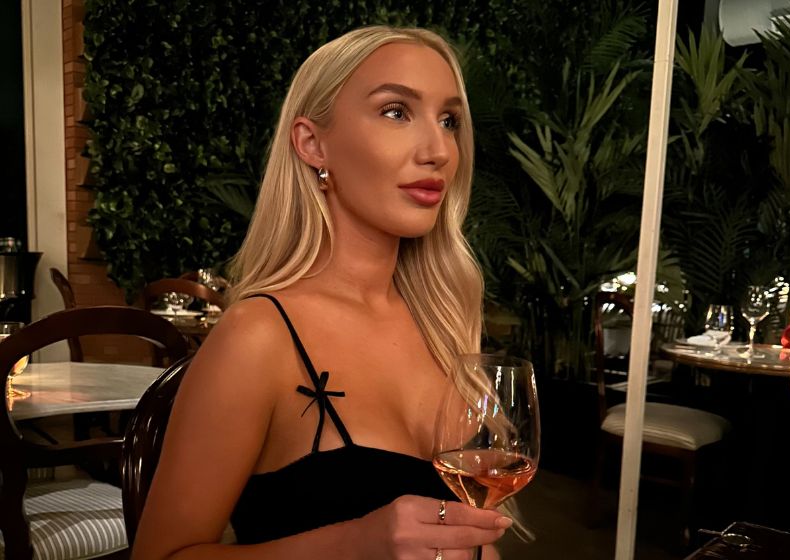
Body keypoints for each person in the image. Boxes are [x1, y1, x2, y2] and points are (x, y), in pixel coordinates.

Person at [132, 25, 515, 560]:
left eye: (448, 120)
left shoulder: (445, 324)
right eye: (396, 111)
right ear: (312, 143)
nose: (438, 150)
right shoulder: (260, 336)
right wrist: (357, 542)